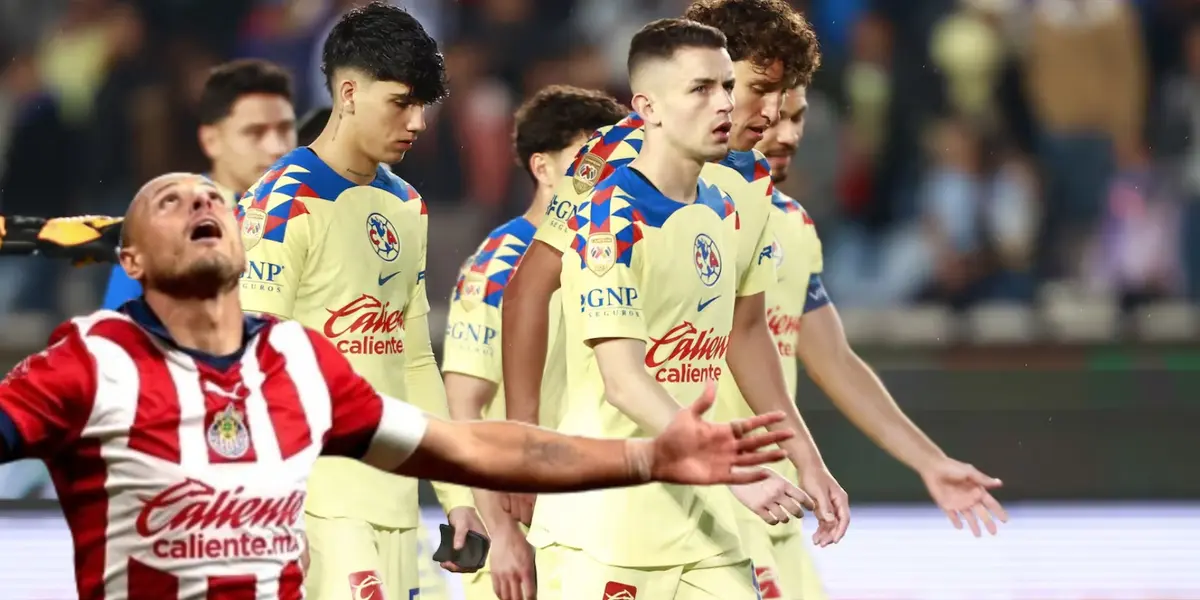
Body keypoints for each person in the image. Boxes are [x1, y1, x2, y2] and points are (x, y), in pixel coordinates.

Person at [0, 172, 796, 600]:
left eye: (213, 197)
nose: (202, 201)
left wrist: (648, 458)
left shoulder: (299, 362)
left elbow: (473, 445)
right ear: (129, 262)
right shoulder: (92, 358)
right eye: (169, 202)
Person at [499, 0, 847, 563]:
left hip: (696, 473)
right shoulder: (607, 161)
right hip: (598, 462)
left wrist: (805, 456)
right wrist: (521, 440)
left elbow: (747, 329)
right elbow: (528, 290)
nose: (771, 111)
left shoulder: (753, 179)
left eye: (783, 94)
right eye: (758, 88)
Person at [233, 4, 483, 599]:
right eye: (401, 102)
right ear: (348, 92)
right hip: (315, 503)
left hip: (396, 504)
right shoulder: (280, 204)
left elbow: (415, 360)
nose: (418, 122)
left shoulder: (407, 205)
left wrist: (458, 497)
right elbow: (245, 366)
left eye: (423, 105)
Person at [748, 85, 1010, 598]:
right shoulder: (663, 211)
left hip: (774, 513)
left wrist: (929, 460)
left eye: (799, 118)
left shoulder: (793, 223)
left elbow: (836, 361)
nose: (790, 134)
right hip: (688, 507)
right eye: (776, 117)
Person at [441, 85, 628, 600]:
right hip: (525, 530)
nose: (603, 173)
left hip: (600, 520)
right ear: (543, 169)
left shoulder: (616, 249)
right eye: (586, 159)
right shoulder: (498, 265)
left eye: (611, 158)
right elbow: (463, 411)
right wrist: (501, 533)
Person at [101, 58, 296, 309]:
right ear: (211, 140)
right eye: (255, 133)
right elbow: (118, 330)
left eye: (285, 129)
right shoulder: (157, 224)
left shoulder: (323, 215)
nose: (277, 147)